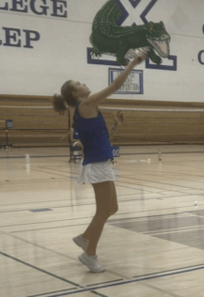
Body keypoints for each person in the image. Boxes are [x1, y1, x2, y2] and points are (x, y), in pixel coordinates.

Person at [52, 54, 145, 273]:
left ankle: (85, 237)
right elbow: (114, 86)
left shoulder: (87, 109)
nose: (84, 85)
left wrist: (115, 127)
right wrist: (132, 64)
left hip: (99, 162)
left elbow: (99, 142)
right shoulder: (86, 103)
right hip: (97, 165)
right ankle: (89, 254)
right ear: (76, 93)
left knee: (112, 208)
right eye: (80, 84)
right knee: (103, 211)